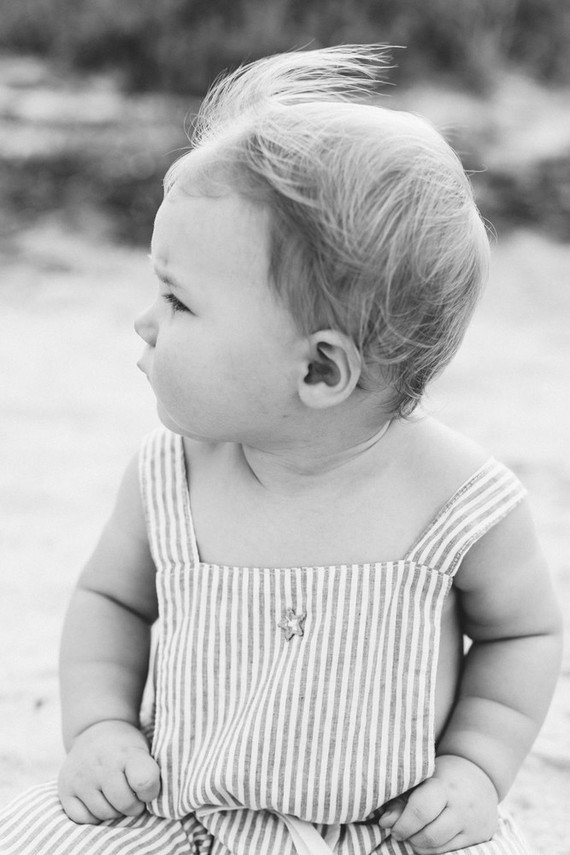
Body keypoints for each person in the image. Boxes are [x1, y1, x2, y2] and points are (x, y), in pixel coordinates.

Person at [0, 45, 562, 855]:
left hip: (382, 833)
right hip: (184, 819)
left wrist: (473, 769)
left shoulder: (460, 501)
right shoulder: (170, 479)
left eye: (177, 299)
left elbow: (523, 636)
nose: (143, 320)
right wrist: (99, 729)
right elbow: (111, 603)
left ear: (320, 368)